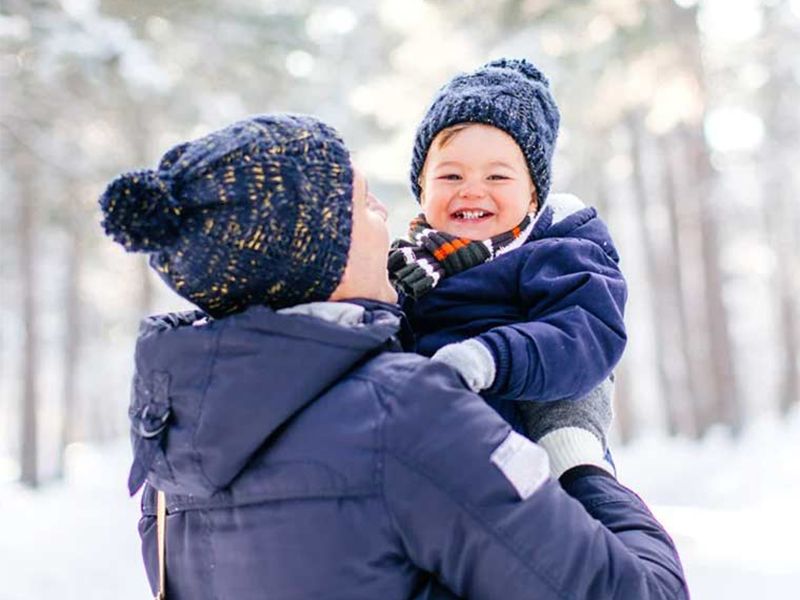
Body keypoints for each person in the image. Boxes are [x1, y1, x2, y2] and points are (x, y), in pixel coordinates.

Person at [99, 113, 687, 599]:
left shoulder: (176, 444)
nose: (386, 213)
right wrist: (579, 457)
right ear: (316, 252)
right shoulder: (406, 413)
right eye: (361, 203)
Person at [388, 59, 626, 470]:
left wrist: (490, 357)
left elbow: (585, 336)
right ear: (421, 189)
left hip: (535, 471)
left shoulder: (556, 251)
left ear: (534, 195)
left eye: (497, 177)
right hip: (430, 467)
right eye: (450, 177)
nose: (472, 191)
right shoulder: (407, 268)